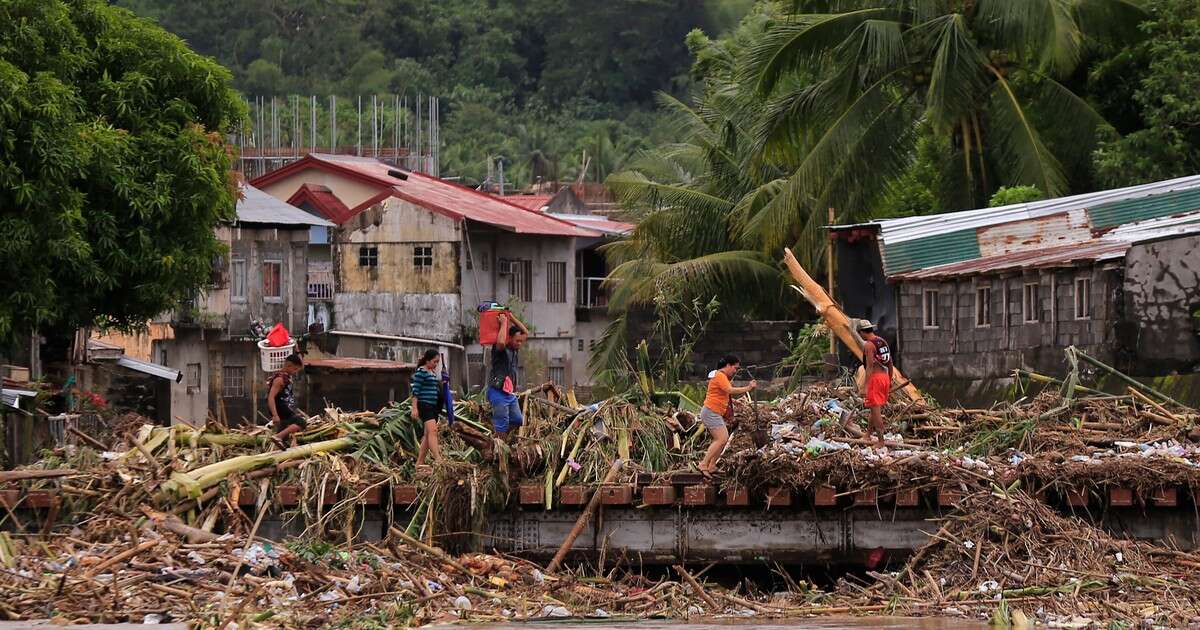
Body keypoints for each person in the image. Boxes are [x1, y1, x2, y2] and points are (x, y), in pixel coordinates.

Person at [697, 355, 757, 477]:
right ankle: (703, 464)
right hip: (710, 412)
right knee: (721, 439)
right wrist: (748, 388)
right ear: (728, 365)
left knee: (722, 440)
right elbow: (730, 390)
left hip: (713, 412)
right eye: (735, 368)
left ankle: (712, 465)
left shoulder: (721, 377)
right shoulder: (720, 376)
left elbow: (726, 389)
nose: (735, 371)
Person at [488, 312, 529, 440]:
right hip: (497, 391)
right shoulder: (500, 348)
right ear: (509, 338)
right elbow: (500, 342)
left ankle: (497, 438)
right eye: (517, 341)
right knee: (502, 425)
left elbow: (525, 332)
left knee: (517, 419)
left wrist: (512, 317)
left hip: (509, 393)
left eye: (521, 342)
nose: (519, 344)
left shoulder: (514, 349)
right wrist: (504, 323)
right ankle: (500, 448)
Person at [859, 320, 894, 448]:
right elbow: (890, 362)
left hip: (875, 379)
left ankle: (881, 441)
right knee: (874, 408)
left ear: (862, 332)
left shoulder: (869, 345)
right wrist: (889, 380)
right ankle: (868, 434)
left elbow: (869, 367)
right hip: (884, 377)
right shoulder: (882, 341)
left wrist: (865, 386)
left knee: (876, 409)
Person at [410, 349, 444, 466]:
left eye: (437, 362)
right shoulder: (421, 372)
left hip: (433, 406)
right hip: (424, 405)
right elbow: (415, 392)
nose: (436, 364)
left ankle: (419, 463)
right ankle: (438, 459)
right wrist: (414, 408)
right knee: (433, 431)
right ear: (428, 360)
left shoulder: (432, 372)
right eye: (435, 362)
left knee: (427, 434)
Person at [267, 353, 306, 448]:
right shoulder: (279, 379)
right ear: (289, 365)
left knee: (284, 440)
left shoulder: (286, 376)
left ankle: (280, 440)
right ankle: (278, 437)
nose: (296, 372)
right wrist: (275, 415)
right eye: (295, 369)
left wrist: (297, 351)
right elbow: (270, 397)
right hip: (281, 408)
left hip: (284, 408)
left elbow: (302, 366)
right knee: (301, 422)